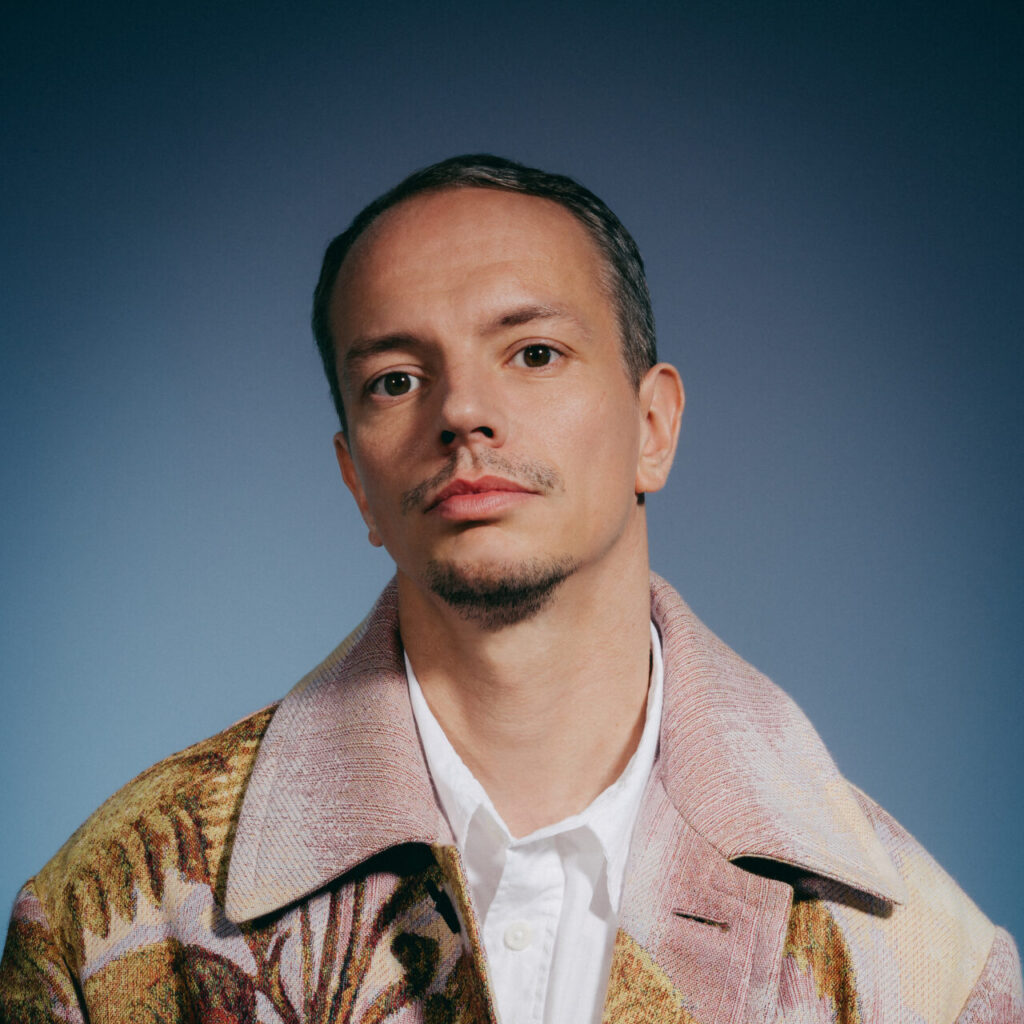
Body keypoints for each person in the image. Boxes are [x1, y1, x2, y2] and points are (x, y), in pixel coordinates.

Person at [1, 155, 1020, 1024]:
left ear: (653, 426)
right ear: (356, 479)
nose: (463, 410)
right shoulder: (113, 919)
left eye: (534, 354)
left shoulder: (924, 966)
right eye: (396, 379)